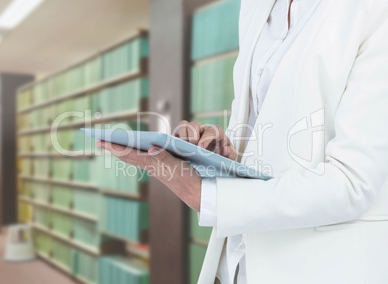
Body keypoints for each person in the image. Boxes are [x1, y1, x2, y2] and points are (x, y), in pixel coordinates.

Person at [97, 0, 388, 283]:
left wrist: (205, 195)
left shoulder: (373, 9)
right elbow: (258, 131)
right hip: (236, 262)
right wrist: (223, 155)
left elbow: (353, 182)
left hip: (317, 268)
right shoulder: (254, 6)